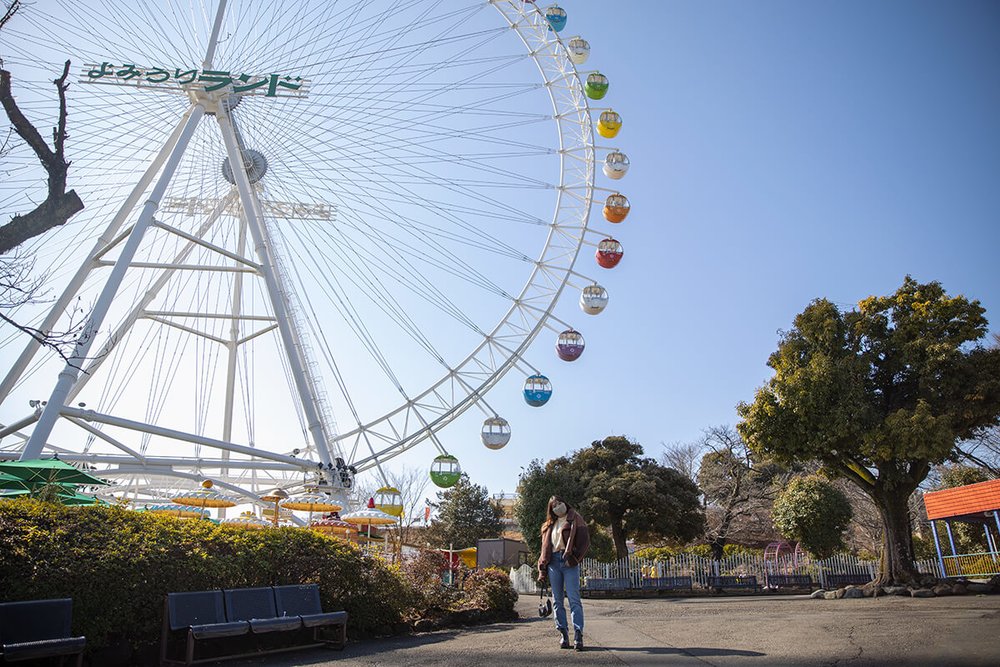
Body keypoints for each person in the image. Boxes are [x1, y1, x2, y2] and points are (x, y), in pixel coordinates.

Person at [537, 495, 590, 651]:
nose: (558, 507)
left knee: (574, 599)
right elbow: (544, 549)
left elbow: (585, 541)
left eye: (559, 503)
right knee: (557, 601)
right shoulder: (548, 525)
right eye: (554, 506)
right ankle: (563, 633)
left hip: (569, 561)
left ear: (565, 503)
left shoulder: (575, 518)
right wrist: (542, 568)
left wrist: (575, 559)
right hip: (553, 562)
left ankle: (578, 634)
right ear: (551, 510)